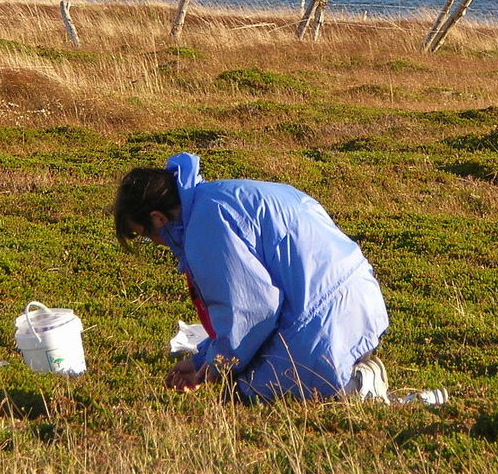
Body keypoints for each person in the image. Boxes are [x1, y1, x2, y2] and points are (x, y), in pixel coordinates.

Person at [114, 152, 390, 402]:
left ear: (158, 218)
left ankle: (356, 388)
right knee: (246, 375)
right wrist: (200, 360)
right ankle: (352, 373)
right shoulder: (223, 196)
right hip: (361, 305)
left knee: (238, 397)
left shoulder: (205, 224)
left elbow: (253, 310)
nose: (156, 244)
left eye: (146, 236)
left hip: (322, 326)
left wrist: (217, 366)